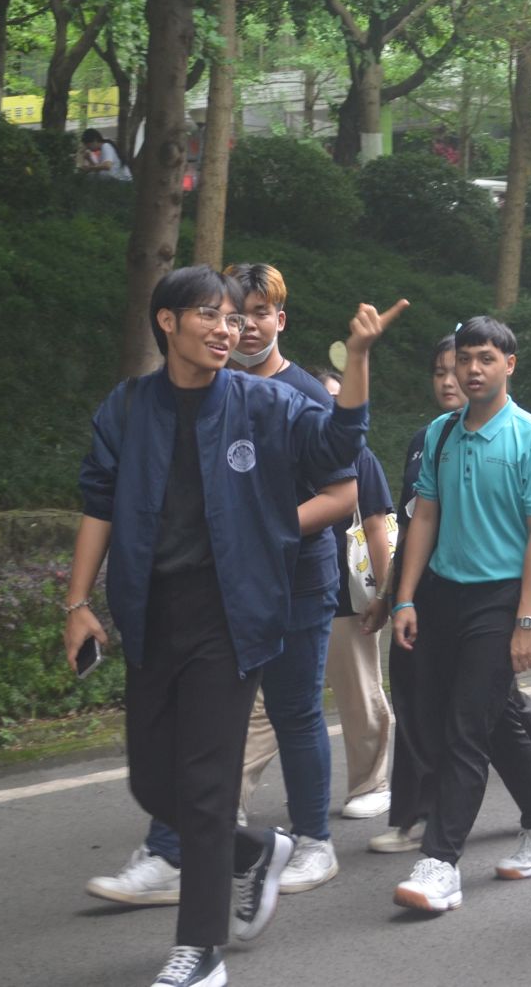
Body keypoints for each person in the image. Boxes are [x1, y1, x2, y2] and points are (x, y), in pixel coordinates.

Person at [62, 266, 400, 987]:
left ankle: (201, 951)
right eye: (209, 316)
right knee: (153, 781)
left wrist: (358, 360)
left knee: (205, 780)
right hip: (150, 614)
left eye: (233, 318)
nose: (227, 330)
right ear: (167, 323)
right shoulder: (128, 407)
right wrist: (77, 602)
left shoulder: (265, 403)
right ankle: (254, 850)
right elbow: (99, 503)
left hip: (231, 615)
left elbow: (338, 449)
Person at [388, 316, 531, 914]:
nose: (472, 370)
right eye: (464, 359)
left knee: (465, 728)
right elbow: (425, 517)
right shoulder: (441, 433)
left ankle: (440, 863)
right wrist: (405, 597)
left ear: (509, 365)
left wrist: (527, 621)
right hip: (444, 594)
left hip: (502, 599)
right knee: (493, 722)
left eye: (485, 359)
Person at [315, 368, 397, 823]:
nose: (329, 406)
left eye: (336, 397)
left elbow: (376, 526)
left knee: (359, 695)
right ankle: (233, 796)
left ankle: (371, 783)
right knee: (261, 704)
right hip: (285, 595)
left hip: (345, 595)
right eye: (321, 397)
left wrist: (384, 594)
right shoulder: (282, 449)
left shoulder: (358, 455)